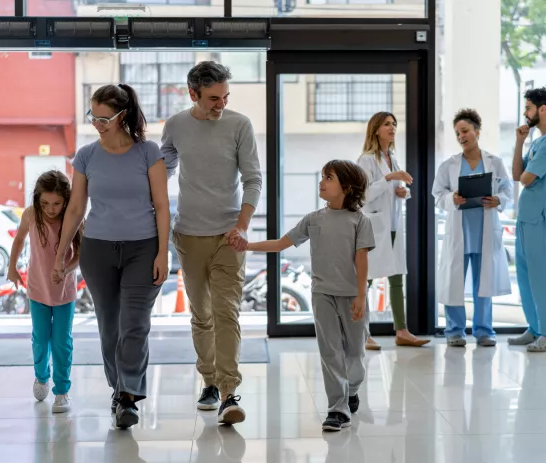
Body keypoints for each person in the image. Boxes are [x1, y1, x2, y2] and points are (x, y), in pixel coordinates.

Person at [53, 84, 170, 429]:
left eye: (105, 117)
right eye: (93, 116)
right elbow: (76, 208)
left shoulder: (148, 152)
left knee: (134, 326)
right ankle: (119, 390)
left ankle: (128, 397)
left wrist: (164, 253)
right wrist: (61, 254)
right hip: (98, 250)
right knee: (109, 329)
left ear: (123, 116)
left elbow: (162, 206)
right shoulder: (87, 155)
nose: (97, 123)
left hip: (143, 248)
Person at [161, 61, 262, 425]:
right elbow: (164, 169)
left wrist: (242, 225)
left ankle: (229, 391)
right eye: (213, 98)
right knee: (201, 314)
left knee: (226, 311)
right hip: (188, 234)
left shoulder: (239, 125)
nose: (221, 104)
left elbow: (253, 179)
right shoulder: (175, 126)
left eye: (225, 97)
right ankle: (209, 380)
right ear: (193, 94)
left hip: (228, 236)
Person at [246, 160, 374, 432]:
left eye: (328, 178)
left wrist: (361, 296)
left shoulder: (360, 222)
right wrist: (247, 245)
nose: (322, 182)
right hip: (322, 294)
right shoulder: (313, 219)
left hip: (352, 295)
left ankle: (351, 389)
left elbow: (362, 260)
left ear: (347, 188)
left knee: (355, 353)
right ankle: (337, 409)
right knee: (330, 352)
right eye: (322, 176)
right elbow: (281, 243)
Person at [432, 109, 514, 346]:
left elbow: (507, 191)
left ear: (477, 131)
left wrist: (498, 200)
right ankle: (455, 331)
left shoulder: (495, 163)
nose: (461, 136)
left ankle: (484, 331)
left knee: (483, 284)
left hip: (484, 233)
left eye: (465, 131)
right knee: (454, 281)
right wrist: (452, 199)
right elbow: (437, 194)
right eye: (458, 133)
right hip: (460, 233)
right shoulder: (449, 165)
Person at [8, 170, 82, 414]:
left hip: (64, 291)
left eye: (57, 204)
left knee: (62, 341)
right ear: (37, 200)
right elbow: (18, 240)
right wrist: (12, 268)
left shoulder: (73, 217)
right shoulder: (31, 215)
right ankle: (41, 377)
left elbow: (81, 254)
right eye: (45, 203)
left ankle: (61, 391)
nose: (51, 209)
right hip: (38, 288)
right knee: (40, 338)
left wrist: (66, 270)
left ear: (67, 200)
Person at [357, 112, 429, 350]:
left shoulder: (393, 157)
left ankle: (402, 331)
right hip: (376, 226)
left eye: (394, 124)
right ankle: (362, 332)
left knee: (396, 276)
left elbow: (396, 190)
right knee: (366, 279)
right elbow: (363, 195)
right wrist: (389, 178)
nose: (392, 127)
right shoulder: (366, 160)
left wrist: (403, 192)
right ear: (375, 129)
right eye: (387, 124)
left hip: (394, 225)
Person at [509, 88, 546, 352]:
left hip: (543, 219)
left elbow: (527, 178)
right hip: (526, 218)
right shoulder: (537, 142)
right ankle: (535, 329)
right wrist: (520, 141)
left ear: (542, 109)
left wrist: (525, 175)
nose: (525, 112)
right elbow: (516, 174)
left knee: (544, 278)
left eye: (529, 107)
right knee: (525, 277)